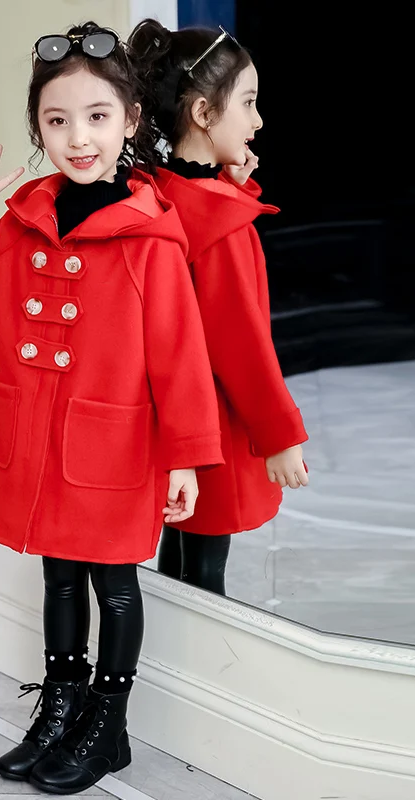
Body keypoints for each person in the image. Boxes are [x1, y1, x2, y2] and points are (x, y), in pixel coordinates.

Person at [0, 22, 223, 795]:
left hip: (109, 442)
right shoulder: (25, 215)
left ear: (130, 120)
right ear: (38, 128)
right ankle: (60, 707)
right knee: (59, 576)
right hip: (34, 434)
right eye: (57, 120)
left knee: (114, 584)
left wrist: (187, 456)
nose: (77, 138)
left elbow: (180, 356)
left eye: (97, 116)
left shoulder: (150, 238)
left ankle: (108, 723)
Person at [128, 20, 309, 597]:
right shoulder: (224, 231)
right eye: (248, 102)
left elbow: (198, 206)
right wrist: (278, 434)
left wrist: (233, 189)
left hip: (164, 415)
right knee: (206, 569)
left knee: (178, 541)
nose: (258, 121)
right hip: (216, 421)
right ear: (204, 113)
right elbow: (242, 345)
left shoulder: (150, 193)